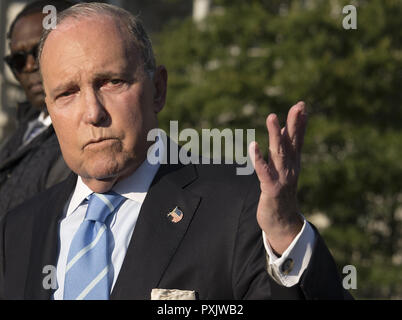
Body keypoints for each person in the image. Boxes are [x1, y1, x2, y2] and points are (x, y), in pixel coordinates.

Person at [0, 3, 352, 300]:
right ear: (49, 108)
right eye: (67, 94)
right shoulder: (19, 229)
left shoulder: (241, 206)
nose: (92, 112)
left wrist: (286, 235)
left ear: (158, 89)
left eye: (112, 82)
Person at [0, 1, 75, 220]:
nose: (30, 66)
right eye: (18, 60)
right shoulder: (25, 128)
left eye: (40, 50)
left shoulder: (85, 132)